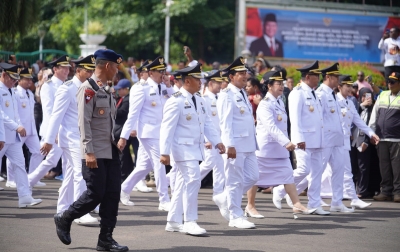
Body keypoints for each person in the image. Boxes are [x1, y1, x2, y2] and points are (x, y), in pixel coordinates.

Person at [53, 49, 129, 251]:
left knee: (113, 194)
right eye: (115, 66)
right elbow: (83, 122)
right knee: (95, 193)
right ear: (106, 66)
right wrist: (88, 151)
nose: (117, 70)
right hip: (93, 151)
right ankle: (65, 217)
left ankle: (105, 239)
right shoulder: (88, 89)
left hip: (110, 149)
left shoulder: (107, 88)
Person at [160, 63, 224, 235]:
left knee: (182, 184)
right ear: (187, 80)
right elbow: (167, 128)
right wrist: (164, 152)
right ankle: (190, 221)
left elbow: (208, 124)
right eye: (197, 79)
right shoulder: (176, 100)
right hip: (182, 149)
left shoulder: (200, 100)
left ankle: (173, 221)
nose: (201, 82)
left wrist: (217, 142)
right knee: (193, 181)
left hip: (195, 149)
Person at [246, 70, 315, 219]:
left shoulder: (279, 101)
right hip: (267, 149)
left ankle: (296, 203)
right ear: (269, 86)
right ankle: (250, 206)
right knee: (255, 178)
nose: (282, 86)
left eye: (282, 83)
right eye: (278, 84)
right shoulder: (265, 104)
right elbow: (271, 127)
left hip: (280, 150)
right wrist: (286, 142)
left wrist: (287, 142)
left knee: (288, 175)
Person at [40, 55, 99, 225]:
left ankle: (62, 209)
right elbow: (56, 116)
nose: (90, 73)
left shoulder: (89, 87)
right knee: (81, 173)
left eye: (91, 70)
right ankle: (80, 213)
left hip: (82, 137)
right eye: (88, 70)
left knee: (71, 175)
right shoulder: (67, 89)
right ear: (78, 70)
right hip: (71, 137)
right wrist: (49, 140)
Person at [117, 56, 174, 210]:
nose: (162, 74)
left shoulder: (164, 87)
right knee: (160, 163)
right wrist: (124, 136)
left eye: (164, 70)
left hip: (161, 132)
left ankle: (124, 188)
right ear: (150, 73)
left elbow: (175, 101)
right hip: (148, 133)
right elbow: (133, 114)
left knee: (144, 166)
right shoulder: (141, 88)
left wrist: (169, 86)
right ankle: (164, 199)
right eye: (159, 71)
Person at [273, 61, 327, 214]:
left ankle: (315, 203)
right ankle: (280, 190)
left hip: (317, 139)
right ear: (308, 76)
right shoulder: (298, 92)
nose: (319, 78)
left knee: (316, 173)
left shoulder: (313, 92)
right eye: (317, 75)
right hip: (304, 140)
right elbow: (295, 118)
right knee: (303, 169)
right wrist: (298, 139)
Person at [217, 56, 259, 229]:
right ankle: (235, 216)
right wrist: (230, 145)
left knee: (253, 176)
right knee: (234, 180)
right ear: (231, 77)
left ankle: (225, 197)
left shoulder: (242, 93)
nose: (244, 76)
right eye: (240, 73)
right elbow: (225, 122)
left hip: (248, 143)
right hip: (236, 145)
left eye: (245, 73)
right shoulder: (227, 95)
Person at [328, 76, 379, 208]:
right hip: (330, 142)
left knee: (345, 172)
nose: (350, 88)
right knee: (316, 170)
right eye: (347, 86)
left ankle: (343, 200)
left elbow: (359, 122)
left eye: (351, 86)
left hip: (343, 143)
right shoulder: (333, 100)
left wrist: (372, 133)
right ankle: (283, 190)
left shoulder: (350, 103)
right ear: (339, 87)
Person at [0, 62, 42, 207]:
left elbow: (15, 113)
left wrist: (19, 125)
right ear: (3, 75)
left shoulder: (11, 90)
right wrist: (16, 126)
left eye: (15, 79)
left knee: (20, 165)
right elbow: (1, 115)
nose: (14, 81)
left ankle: (24, 196)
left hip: (13, 137)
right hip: (2, 136)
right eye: (11, 78)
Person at [28, 56, 70, 188]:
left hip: (66, 130)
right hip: (53, 131)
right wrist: (55, 133)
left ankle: (68, 193)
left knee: (68, 163)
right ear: (55, 69)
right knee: (50, 160)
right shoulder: (48, 86)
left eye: (68, 67)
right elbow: (49, 112)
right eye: (63, 68)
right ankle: (27, 182)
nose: (66, 70)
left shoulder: (67, 85)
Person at [6, 68, 45, 188]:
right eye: (27, 79)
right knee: (13, 153)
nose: (29, 82)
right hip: (20, 129)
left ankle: (32, 177)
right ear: (19, 80)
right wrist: (17, 126)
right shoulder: (15, 93)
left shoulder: (29, 93)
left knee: (38, 152)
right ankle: (10, 179)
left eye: (30, 79)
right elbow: (14, 112)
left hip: (31, 129)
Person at [198, 70, 226, 217]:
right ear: (210, 83)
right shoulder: (205, 99)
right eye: (218, 83)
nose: (221, 85)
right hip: (210, 139)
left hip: (219, 139)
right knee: (209, 163)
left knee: (219, 166)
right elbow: (203, 122)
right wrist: (206, 140)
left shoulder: (220, 97)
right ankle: (177, 180)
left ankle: (218, 193)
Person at [369, 72, 400, 203]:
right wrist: (371, 132)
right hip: (381, 138)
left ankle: (397, 192)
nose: (390, 84)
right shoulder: (383, 95)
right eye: (389, 81)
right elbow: (374, 116)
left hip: (397, 139)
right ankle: (386, 191)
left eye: (393, 82)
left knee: (397, 168)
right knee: (384, 167)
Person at [352, 88, 377, 198]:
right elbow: (352, 118)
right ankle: (350, 190)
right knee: (352, 167)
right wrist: (361, 106)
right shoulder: (356, 107)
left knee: (363, 167)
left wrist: (366, 142)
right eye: (363, 96)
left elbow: (372, 126)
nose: (365, 99)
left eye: (368, 96)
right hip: (352, 141)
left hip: (364, 142)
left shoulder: (373, 110)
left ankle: (362, 191)